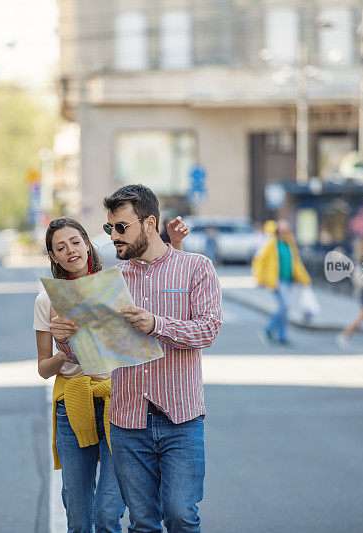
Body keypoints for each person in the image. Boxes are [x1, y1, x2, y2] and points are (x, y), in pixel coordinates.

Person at [54, 184, 222, 533]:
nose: (113, 237)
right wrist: (68, 341)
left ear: (149, 223)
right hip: (127, 422)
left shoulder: (196, 267)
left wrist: (157, 324)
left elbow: (208, 330)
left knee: (181, 515)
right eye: (108, 228)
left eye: (121, 227)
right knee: (143, 523)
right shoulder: (109, 282)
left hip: (181, 418)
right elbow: (93, 354)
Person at [37, 215, 189, 533]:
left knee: (107, 513)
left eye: (75, 242)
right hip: (73, 404)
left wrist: (175, 245)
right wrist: (64, 351)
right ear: (53, 256)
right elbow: (42, 367)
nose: (70, 251)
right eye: (60, 247)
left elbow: (163, 293)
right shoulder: (47, 300)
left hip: (119, 403)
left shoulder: (119, 282)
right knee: (78, 516)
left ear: (87, 243)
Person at [251, 219, 311, 345]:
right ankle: (268, 329)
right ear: (277, 232)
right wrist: (260, 279)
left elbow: (296, 263)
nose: (285, 233)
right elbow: (259, 261)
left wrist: (304, 278)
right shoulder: (271, 244)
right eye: (282, 231)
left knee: (285, 308)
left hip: (288, 280)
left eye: (287, 231)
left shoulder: (290, 244)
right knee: (284, 307)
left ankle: (282, 336)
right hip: (277, 281)